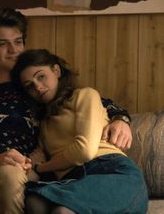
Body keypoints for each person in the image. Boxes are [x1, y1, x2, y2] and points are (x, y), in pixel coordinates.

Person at [0, 8, 132, 214]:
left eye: (18, 42)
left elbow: (85, 100)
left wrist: (120, 118)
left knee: (9, 174)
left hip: (13, 175)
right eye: (2, 44)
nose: (14, 50)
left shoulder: (34, 90)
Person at [11, 49, 148, 214]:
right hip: (73, 180)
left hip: (111, 170)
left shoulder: (85, 96)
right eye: (30, 86)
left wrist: (41, 168)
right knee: (34, 202)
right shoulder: (45, 123)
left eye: (41, 77)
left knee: (63, 211)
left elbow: (84, 150)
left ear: (56, 71)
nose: (38, 87)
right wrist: (13, 170)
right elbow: (35, 161)